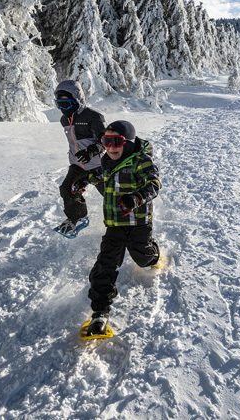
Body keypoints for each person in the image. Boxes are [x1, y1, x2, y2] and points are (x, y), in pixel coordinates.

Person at [74, 120, 162, 336]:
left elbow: (154, 184)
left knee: (142, 258)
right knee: (105, 264)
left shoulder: (141, 161)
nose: (111, 147)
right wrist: (86, 180)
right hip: (114, 225)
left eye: (116, 141)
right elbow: (101, 174)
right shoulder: (107, 161)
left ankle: (153, 253)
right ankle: (100, 313)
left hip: (139, 223)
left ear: (129, 142)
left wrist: (136, 198)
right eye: (106, 141)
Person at [54, 80, 106, 236]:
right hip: (78, 165)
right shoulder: (64, 120)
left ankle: (131, 221)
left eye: (66, 104)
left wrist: (91, 151)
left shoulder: (93, 117)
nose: (63, 109)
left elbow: (106, 141)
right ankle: (79, 217)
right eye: (59, 104)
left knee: (112, 196)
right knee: (67, 189)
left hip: (98, 165)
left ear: (77, 100)